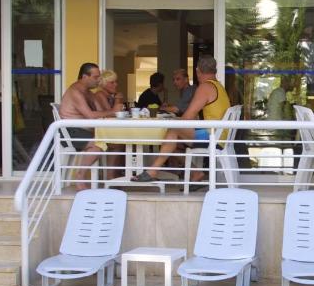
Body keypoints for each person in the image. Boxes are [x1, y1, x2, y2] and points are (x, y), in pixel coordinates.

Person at [133, 55, 230, 183]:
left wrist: (175, 122)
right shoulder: (219, 86)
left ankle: (153, 171)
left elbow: (187, 118)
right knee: (172, 142)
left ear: (198, 71)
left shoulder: (205, 87)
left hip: (213, 136)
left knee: (173, 131)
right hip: (219, 135)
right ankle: (195, 173)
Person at [58, 62, 124, 190]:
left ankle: (110, 178)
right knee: (98, 144)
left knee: (116, 143)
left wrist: (113, 108)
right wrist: (113, 111)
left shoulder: (88, 92)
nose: (98, 80)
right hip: (70, 132)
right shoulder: (75, 92)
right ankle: (80, 177)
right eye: (95, 77)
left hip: (83, 130)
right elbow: (90, 115)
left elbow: (100, 112)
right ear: (84, 77)